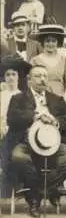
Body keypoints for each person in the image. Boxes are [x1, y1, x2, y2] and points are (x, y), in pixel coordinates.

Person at [8, 65, 66, 218]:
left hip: (54, 143)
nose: (42, 79)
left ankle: (36, 195)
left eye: (45, 76)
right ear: (29, 80)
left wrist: (55, 120)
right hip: (27, 142)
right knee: (18, 157)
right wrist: (34, 116)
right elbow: (12, 120)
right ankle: (46, 193)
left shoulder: (56, 99)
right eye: (38, 76)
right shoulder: (18, 98)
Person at [0, 55, 31, 193]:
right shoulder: (1, 94)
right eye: (8, 74)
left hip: (15, 133)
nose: (11, 77)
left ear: (19, 77)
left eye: (14, 74)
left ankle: (9, 185)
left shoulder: (23, 96)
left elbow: (23, 119)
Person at [30, 25, 66, 103]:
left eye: (53, 41)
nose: (50, 44)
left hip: (60, 97)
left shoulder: (64, 60)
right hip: (41, 97)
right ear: (42, 42)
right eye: (47, 41)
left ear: (58, 42)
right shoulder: (35, 60)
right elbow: (31, 81)